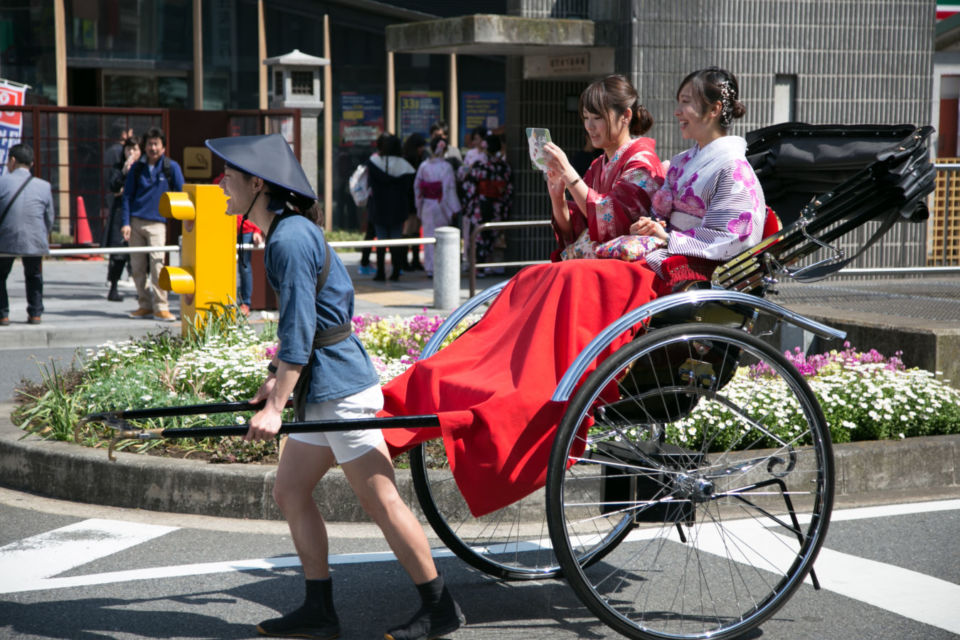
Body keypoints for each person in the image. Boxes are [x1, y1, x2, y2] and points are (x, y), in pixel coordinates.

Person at [205, 133, 463, 640]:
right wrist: (275, 382)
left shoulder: (289, 237)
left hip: (341, 391)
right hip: (324, 386)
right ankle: (319, 611)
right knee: (290, 490)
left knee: (382, 500)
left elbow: (300, 331)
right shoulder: (287, 232)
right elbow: (310, 328)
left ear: (258, 184)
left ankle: (440, 609)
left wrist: (277, 404)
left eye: (229, 177)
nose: (222, 186)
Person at [630, 66, 766, 286]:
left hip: (690, 271)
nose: (677, 111)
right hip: (666, 256)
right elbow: (661, 216)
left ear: (714, 109)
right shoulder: (680, 162)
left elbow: (732, 239)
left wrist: (667, 238)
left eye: (685, 102)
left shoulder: (733, 168)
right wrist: (651, 226)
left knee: (596, 277)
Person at [541, 74, 665, 261]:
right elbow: (578, 227)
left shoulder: (642, 164)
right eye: (586, 117)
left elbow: (611, 220)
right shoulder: (598, 165)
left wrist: (568, 173)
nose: (589, 126)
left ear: (626, 116)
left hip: (626, 268)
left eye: (597, 118)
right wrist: (557, 197)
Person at [121, 127, 184, 322]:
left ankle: (161, 306)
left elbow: (182, 192)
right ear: (144, 147)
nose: (153, 148)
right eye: (150, 144)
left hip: (158, 224)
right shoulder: (137, 169)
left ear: (163, 147)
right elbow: (127, 196)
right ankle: (144, 305)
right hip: (136, 222)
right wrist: (126, 223)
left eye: (157, 144)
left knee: (158, 265)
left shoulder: (171, 167)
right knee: (137, 267)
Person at [0, 144, 55, 326]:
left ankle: (3, 314)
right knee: (34, 275)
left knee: (0, 275)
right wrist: (42, 235)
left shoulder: (1, 183)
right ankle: (35, 313)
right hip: (34, 238)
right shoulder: (44, 186)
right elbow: (49, 218)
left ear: (13, 161)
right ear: (31, 163)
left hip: (6, 238)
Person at [460, 133, 512, 275]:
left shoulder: (479, 166)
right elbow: (507, 189)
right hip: (498, 205)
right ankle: (494, 266)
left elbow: (468, 187)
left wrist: (467, 206)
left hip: (480, 205)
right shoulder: (504, 167)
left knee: (480, 236)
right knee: (494, 235)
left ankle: (480, 267)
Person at [366, 133, 416, 282]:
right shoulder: (405, 165)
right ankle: (396, 272)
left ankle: (380, 272)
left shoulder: (374, 162)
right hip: (398, 208)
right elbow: (409, 189)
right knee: (396, 240)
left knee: (381, 241)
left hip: (379, 207)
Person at [414, 136, 460, 277]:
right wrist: (453, 208)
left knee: (429, 236)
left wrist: (419, 207)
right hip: (441, 205)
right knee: (443, 237)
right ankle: (442, 267)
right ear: (444, 150)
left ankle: (430, 268)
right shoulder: (446, 167)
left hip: (427, 204)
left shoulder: (423, 166)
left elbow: (417, 188)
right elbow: (448, 189)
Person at [103, 137, 140, 302]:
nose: (131, 153)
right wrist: (124, 172)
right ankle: (113, 287)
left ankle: (142, 288)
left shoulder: (144, 168)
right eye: (128, 150)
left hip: (138, 212)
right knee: (118, 253)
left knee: (139, 254)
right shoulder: (118, 168)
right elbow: (113, 187)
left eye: (134, 149)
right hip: (120, 213)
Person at [401, 133, 427, 272]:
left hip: (415, 198)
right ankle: (405, 261)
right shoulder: (408, 160)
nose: (422, 149)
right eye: (420, 147)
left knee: (416, 229)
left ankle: (415, 260)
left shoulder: (418, 159)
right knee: (409, 229)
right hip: (409, 198)